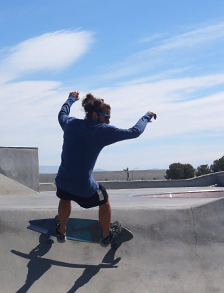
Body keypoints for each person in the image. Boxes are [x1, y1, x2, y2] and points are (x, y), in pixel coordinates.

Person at [54, 91, 156, 246]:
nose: (108, 122)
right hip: (84, 189)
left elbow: (62, 113)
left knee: (65, 196)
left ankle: (61, 231)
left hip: (62, 182)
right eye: (106, 117)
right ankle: (107, 235)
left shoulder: (70, 124)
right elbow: (134, 132)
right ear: (95, 115)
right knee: (104, 198)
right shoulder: (101, 130)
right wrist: (147, 116)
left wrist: (71, 99)